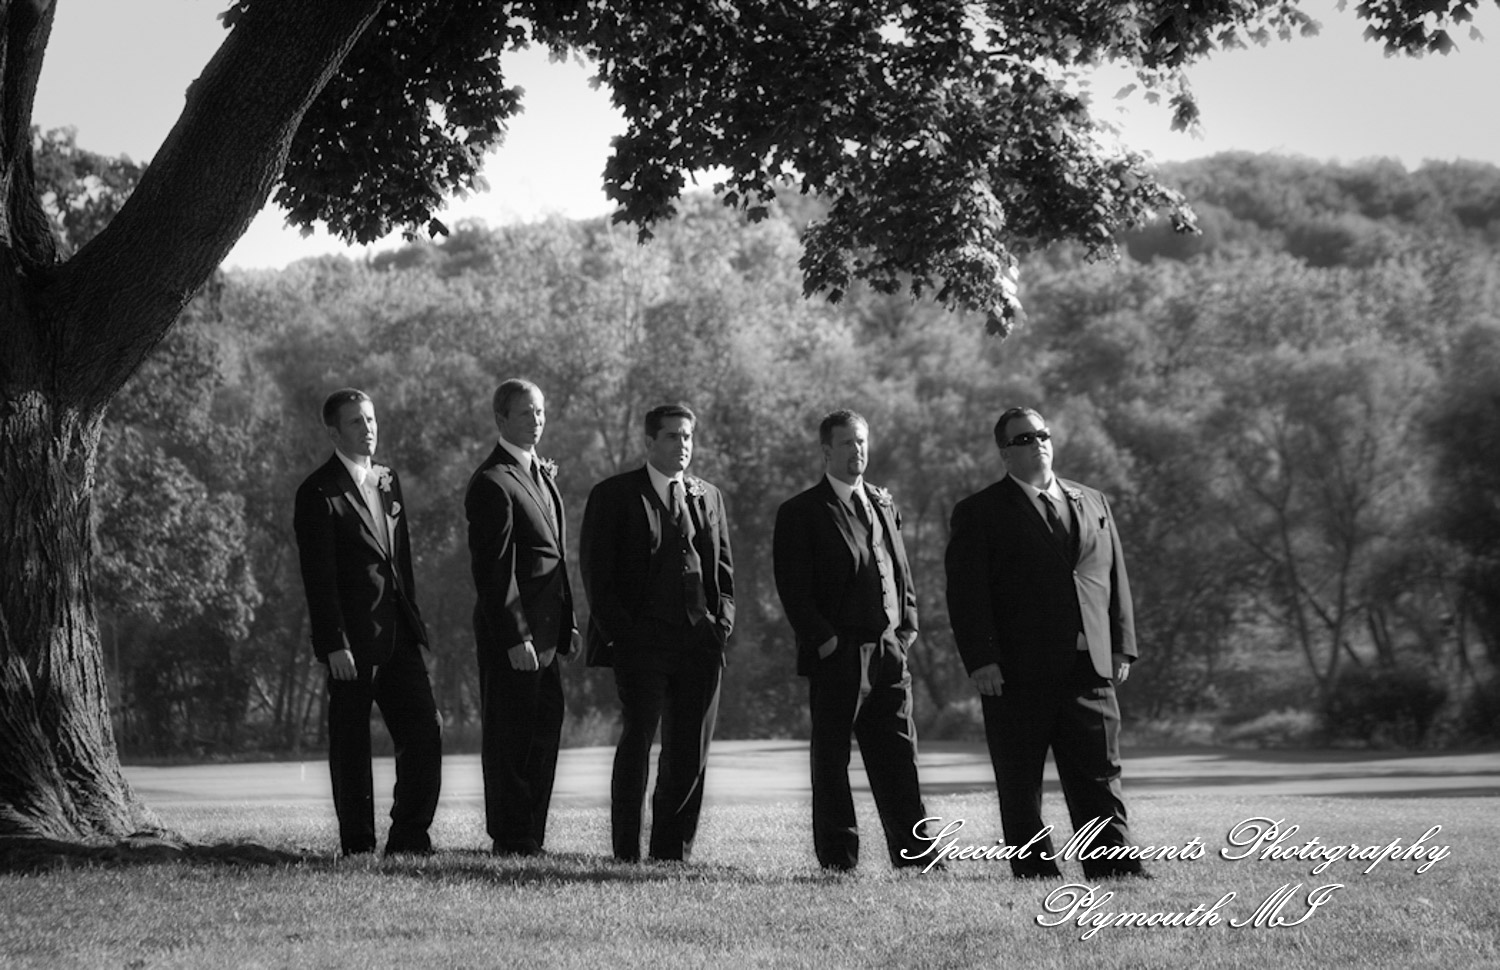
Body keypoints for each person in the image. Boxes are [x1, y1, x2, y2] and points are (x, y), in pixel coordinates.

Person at [943, 406, 1147, 880]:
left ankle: (1114, 867)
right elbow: (967, 595)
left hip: (1089, 665)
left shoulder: (1092, 501)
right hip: (1016, 672)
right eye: (1024, 438)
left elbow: (1114, 576)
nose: (1038, 443)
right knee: (1021, 781)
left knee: (1100, 774)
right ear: (1004, 453)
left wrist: (1121, 644)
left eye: (1042, 434)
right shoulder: (980, 512)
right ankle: (1035, 870)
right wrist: (981, 660)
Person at [772, 410, 932, 872]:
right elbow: (794, 589)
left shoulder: (882, 503)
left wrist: (908, 627)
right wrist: (826, 643)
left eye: (861, 442)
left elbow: (900, 569)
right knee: (832, 761)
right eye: (846, 444)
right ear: (827, 451)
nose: (856, 451)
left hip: (889, 650)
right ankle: (840, 858)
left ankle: (916, 856)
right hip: (840, 653)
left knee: (900, 756)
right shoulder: (802, 512)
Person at [579, 403, 735, 862]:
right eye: (671, 436)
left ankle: (672, 851)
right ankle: (626, 850)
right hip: (640, 643)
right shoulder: (614, 495)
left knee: (688, 751)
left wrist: (720, 626)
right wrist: (622, 636)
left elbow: (723, 573)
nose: (682, 445)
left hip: (699, 643)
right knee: (638, 743)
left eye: (687, 436)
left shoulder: (709, 496)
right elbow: (596, 574)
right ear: (649, 443)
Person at [293, 387, 441, 857]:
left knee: (425, 730)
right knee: (352, 746)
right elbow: (319, 577)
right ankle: (357, 844)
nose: (369, 428)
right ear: (334, 431)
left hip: (398, 634)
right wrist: (332, 643)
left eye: (372, 419)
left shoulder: (388, 479)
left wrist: (413, 622)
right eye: (357, 422)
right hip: (351, 644)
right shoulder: (318, 492)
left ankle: (409, 837)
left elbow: (402, 561)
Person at [464, 378, 578, 857]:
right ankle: (510, 837)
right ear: (501, 419)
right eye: (526, 412)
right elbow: (495, 572)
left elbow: (552, 559)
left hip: (549, 636)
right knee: (510, 739)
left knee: (543, 734)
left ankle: (532, 834)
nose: (536, 420)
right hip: (515, 636)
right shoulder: (492, 482)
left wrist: (566, 621)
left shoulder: (541, 476)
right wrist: (515, 635)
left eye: (540, 411)